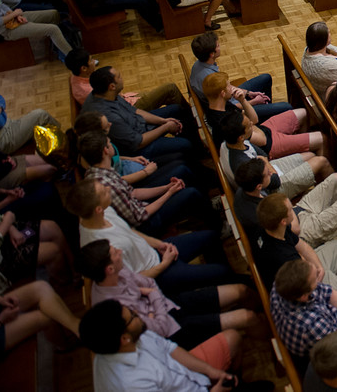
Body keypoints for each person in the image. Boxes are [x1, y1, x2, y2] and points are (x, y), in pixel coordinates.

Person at [79, 239, 258, 351]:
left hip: (171, 303)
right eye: (114, 253)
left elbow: (150, 284)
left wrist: (151, 298)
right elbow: (160, 328)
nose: (119, 251)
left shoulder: (118, 270)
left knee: (241, 290)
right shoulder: (111, 308)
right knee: (247, 317)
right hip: (175, 330)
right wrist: (153, 296)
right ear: (109, 269)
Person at [68, 178, 235, 295]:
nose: (109, 190)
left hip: (156, 253)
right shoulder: (100, 247)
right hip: (157, 275)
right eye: (104, 192)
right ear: (97, 209)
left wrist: (159, 244)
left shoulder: (103, 211)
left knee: (211, 237)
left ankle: (217, 282)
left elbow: (129, 231)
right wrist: (165, 264)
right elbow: (131, 282)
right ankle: (221, 282)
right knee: (222, 271)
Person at [78, 299, 265, 392]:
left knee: (232, 338)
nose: (138, 313)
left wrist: (210, 371)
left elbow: (169, 348)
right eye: (132, 317)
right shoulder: (132, 385)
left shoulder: (132, 335)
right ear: (124, 339)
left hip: (190, 376)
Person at [78, 129, 212, 237]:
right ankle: (216, 224)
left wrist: (167, 187)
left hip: (140, 208)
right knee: (191, 193)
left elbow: (134, 192)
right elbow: (141, 216)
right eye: (109, 142)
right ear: (106, 151)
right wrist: (169, 193)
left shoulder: (99, 171)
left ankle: (207, 205)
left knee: (182, 172)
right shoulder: (107, 186)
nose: (111, 142)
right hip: (145, 225)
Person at [0, 276, 80, 376]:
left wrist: (1, 300)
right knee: (46, 318)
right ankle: (65, 346)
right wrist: (0, 320)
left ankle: (77, 327)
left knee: (41, 287)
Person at [82, 65, 200, 160]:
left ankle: (200, 147)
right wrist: (165, 127)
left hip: (139, 126)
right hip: (139, 147)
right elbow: (138, 142)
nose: (122, 78)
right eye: (119, 77)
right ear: (112, 86)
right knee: (185, 144)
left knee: (176, 110)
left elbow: (136, 111)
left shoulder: (105, 94)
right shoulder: (109, 117)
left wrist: (163, 121)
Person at [189, 31, 292, 121]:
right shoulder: (210, 79)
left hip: (231, 97)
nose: (220, 47)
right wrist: (254, 102)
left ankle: (265, 112)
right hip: (234, 109)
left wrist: (249, 93)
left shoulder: (198, 65)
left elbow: (227, 87)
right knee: (286, 107)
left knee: (266, 78)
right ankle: (261, 118)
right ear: (212, 54)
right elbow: (229, 107)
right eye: (218, 46)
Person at [0, 68, 59, 154]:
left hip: (6, 125)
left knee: (38, 119)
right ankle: (65, 151)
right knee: (41, 115)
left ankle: (56, 149)